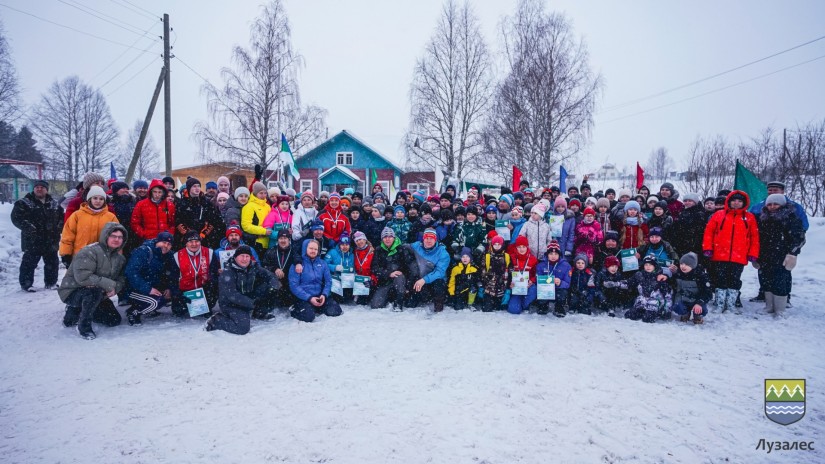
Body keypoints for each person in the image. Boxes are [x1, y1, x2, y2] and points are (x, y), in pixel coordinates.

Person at [58, 223, 128, 340]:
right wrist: (110, 285)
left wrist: (115, 288)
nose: (116, 239)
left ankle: (81, 310)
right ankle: (83, 326)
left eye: (120, 237)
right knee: (93, 292)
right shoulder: (90, 251)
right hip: (74, 291)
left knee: (113, 320)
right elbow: (83, 277)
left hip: (99, 293)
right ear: (106, 236)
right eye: (113, 236)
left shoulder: (120, 258)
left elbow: (121, 278)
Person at [748, 181, 808, 302]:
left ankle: (785, 297)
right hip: (764, 246)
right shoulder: (759, 206)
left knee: (782, 273)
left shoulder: (794, 207)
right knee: (763, 271)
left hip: (783, 247)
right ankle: (763, 293)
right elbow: (751, 225)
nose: (772, 192)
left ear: (782, 191)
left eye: (775, 190)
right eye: (770, 190)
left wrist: (793, 247)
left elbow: (803, 225)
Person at [702, 190, 760, 314]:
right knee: (720, 279)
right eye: (734, 200)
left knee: (734, 280)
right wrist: (708, 248)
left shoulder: (749, 217)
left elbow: (754, 236)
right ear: (729, 201)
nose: (736, 203)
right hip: (720, 254)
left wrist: (753, 253)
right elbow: (709, 232)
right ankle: (719, 303)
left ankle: (731, 304)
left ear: (744, 203)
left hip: (739, 256)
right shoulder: (719, 215)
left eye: (739, 201)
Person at [207, 245, 281, 335]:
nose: (244, 259)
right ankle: (217, 320)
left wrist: (274, 286)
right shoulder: (228, 271)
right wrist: (252, 303)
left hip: (247, 297)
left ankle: (257, 312)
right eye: (242, 256)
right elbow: (232, 295)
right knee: (243, 328)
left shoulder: (254, 266)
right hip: (231, 304)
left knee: (268, 286)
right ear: (235, 257)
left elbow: (270, 276)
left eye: (247, 256)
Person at [755, 194, 805, 317]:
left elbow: (798, 238)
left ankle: (780, 309)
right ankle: (769, 306)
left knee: (780, 281)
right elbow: (757, 238)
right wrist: (756, 255)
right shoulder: (762, 218)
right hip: (765, 255)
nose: (772, 207)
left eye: (775, 204)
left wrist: (792, 253)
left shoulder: (791, 218)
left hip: (782, 256)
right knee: (766, 280)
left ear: (782, 204)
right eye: (769, 204)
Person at [11, 179, 64, 292]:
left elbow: (61, 218)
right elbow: (16, 218)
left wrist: (59, 227)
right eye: (37, 187)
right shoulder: (24, 203)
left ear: (46, 189)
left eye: (42, 187)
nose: (39, 189)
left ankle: (51, 283)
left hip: (51, 239)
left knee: (52, 262)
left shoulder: (54, 203)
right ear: (34, 189)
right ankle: (26, 284)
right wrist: (27, 227)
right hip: (32, 239)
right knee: (29, 263)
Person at [124, 231, 175, 326]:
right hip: (132, 288)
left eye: (169, 244)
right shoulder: (143, 251)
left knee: (171, 294)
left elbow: (171, 274)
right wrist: (148, 289)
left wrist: (169, 288)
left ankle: (145, 306)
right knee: (156, 302)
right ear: (157, 241)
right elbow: (131, 273)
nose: (166, 246)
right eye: (163, 242)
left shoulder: (168, 255)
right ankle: (133, 312)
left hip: (150, 286)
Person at [59, 186, 119, 266]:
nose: (98, 201)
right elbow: (68, 236)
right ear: (89, 199)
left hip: (102, 259)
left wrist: (115, 254)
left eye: (101, 199)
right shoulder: (77, 215)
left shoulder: (111, 217)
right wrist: (66, 254)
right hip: (80, 257)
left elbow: (117, 237)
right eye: (95, 198)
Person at [288, 239, 342, 322]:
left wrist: (324, 294)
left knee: (336, 311)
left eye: (315, 249)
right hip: (304, 298)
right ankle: (296, 308)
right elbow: (294, 285)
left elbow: (328, 281)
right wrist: (309, 298)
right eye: (311, 248)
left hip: (319, 295)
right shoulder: (297, 265)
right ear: (305, 248)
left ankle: (315, 307)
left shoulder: (323, 263)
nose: (313, 251)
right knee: (308, 317)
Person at [170, 231, 218, 318]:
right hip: (185, 292)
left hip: (203, 290)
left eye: (197, 241)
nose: (194, 244)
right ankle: (183, 305)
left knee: (213, 289)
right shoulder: (177, 255)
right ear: (186, 243)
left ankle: (206, 304)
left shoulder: (209, 253)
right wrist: (177, 294)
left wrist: (210, 290)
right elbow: (173, 278)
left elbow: (214, 274)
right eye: (190, 242)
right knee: (179, 311)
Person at [371, 227, 417, 311]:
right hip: (385, 281)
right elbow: (375, 268)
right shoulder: (378, 250)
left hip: (401, 281)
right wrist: (388, 273)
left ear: (394, 238)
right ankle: (389, 296)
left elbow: (411, 269)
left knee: (399, 276)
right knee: (375, 305)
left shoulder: (402, 249)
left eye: (390, 236)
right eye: (385, 237)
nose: (387, 239)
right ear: (382, 239)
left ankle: (398, 303)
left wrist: (408, 287)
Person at [175, 177, 225, 249]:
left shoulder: (206, 202)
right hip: (187, 239)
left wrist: (203, 234)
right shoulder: (182, 203)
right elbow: (179, 221)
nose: (197, 188)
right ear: (189, 188)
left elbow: (213, 220)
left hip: (205, 239)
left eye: (198, 186)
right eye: (194, 186)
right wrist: (190, 235)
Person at [407, 227, 450, 312]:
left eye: (431, 238)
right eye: (426, 238)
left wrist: (424, 280)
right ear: (423, 239)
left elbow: (440, 272)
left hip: (434, 280)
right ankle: (418, 297)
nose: (429, 241)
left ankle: (438, 305)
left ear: (435, 240)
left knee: (439, 283)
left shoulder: (443, 253)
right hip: (420, 279)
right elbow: (403, 247)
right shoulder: (416, 246)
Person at [621, 256, 673, 323]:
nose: (648, 267)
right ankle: (642, 311)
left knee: (647, 319)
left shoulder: (660, 277)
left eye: (650, 265)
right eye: (646, 265)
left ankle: (655, 313)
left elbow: (668, 295)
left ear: (655, 266)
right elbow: (628, 283)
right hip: (642, 302)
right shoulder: (640, 275)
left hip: (654, 304)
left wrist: (667, 310)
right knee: (629, 315)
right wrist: (615, 284)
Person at [671, 252, 711, 324]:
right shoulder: (678, 273)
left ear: (693, 266)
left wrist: (700, 303)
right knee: (677, 307)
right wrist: (666, 276)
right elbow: (672, 284)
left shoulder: (701, 276)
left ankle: (697, 315)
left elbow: (708, 292)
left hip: (696, 299)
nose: (683, 266)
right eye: (681, 264)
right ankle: (685, 313)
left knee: (702, 309)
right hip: (683, 298)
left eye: (687, 265)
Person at [261, 229, 296, 310]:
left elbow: (298, 260)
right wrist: (274, 269)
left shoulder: (294, 250)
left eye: (285, 238)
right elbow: (264, 265)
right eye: (280, 238)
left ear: (289, 239)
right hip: (275, 280)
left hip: (289, 280)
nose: (283, 241)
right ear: (277, 240)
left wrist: (298, 264)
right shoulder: (271, 251)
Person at [535, 240, 571, 316]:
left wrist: (560, 282)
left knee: (563, 292)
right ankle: (543, 306)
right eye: (551, 253)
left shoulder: (566, 266)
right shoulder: (541, 265)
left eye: (556, 254)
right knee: (540, 290)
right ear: (547, 255)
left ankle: (559, 307)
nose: (553, 256)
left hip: (558, 289)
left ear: (559, 255)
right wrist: (543, 281)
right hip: (546, 289)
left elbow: (568, 283)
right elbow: (537, 279)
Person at [506, 235, 538, 314]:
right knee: (514, 310)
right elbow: (507, 272)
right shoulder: (511, 258)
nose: (521, 249)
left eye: (524, 246)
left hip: (527, 286)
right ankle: (517, 303)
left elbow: (536, 273)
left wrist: (532, 281)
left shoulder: (533, 259)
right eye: (519, 247)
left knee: (534, 289)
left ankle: (524, 304)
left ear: (527, 247)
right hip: (515, 287)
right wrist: (509, 283)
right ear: (516, 247)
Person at [241, 181, 272, 254]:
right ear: (255, 193)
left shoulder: (267, 206)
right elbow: (246, 225)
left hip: (268, 241)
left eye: (265, 193)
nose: (263, 195)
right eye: (261, 193)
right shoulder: (249, 206)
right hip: (257, 241)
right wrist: (263, 231)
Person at [325, 233, 356, 304]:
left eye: (347, 245)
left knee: (347, 298)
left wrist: (353, 273)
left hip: (347, 280)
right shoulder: (332, 252)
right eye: (342, 245)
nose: (345, 247)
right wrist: (335, 267)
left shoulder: (352, 255)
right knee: (337, 298)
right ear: (339, 245)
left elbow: (355, 267)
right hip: (335, 279)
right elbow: (325, 264)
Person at [110, 181, 139, 256]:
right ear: (116, 190)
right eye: (123, 188)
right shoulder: (111, 203)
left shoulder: (133, 201)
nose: (126, 190)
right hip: (116, 233)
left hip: (132, 234)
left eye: (127, 188)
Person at [549, 197, 576, 261]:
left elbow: (571, 234)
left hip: (565, 244)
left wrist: (569, 248)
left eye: (562, 207)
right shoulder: (551, 217)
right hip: (554, 245)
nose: (560, 209)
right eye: (558, 206)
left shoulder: (570, 218)